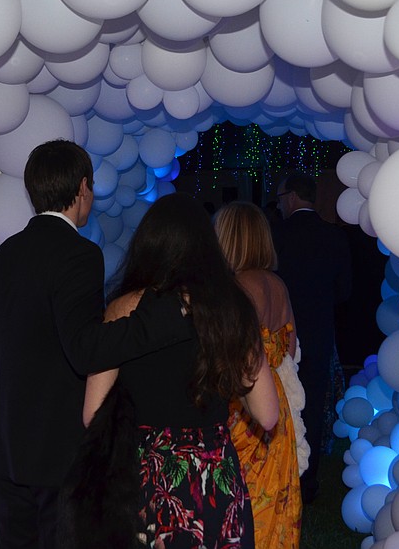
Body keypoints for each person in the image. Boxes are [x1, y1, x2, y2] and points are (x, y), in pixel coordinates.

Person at [0, 139, 190, 549]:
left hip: (7, 452)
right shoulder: (79, 255)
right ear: (84, 188)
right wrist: (157, 320)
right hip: (58, 454)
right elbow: (86, 349)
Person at [80, 193, 279, 549]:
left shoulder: (123, 309)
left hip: (146, 473)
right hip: (213, 473)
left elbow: (92, 414)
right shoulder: (230, 310)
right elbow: (266, 415)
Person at [214, 201, 305, 549]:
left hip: (244, 407)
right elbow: (292, 351)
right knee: (275, 504)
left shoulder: (235, 289)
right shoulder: (277, 284)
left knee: (243, 504)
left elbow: (228, 356)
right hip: (275, 405)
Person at [270, 173, 352, 504]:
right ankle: (308, 482)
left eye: (279, 199)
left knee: (279, 403)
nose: (278, 205)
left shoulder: (277, 234)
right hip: (317, 334)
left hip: (278, 335)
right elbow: (345, 291)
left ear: (291, 197)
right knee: (312, 406)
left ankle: (280, 474)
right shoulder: (334, 236)